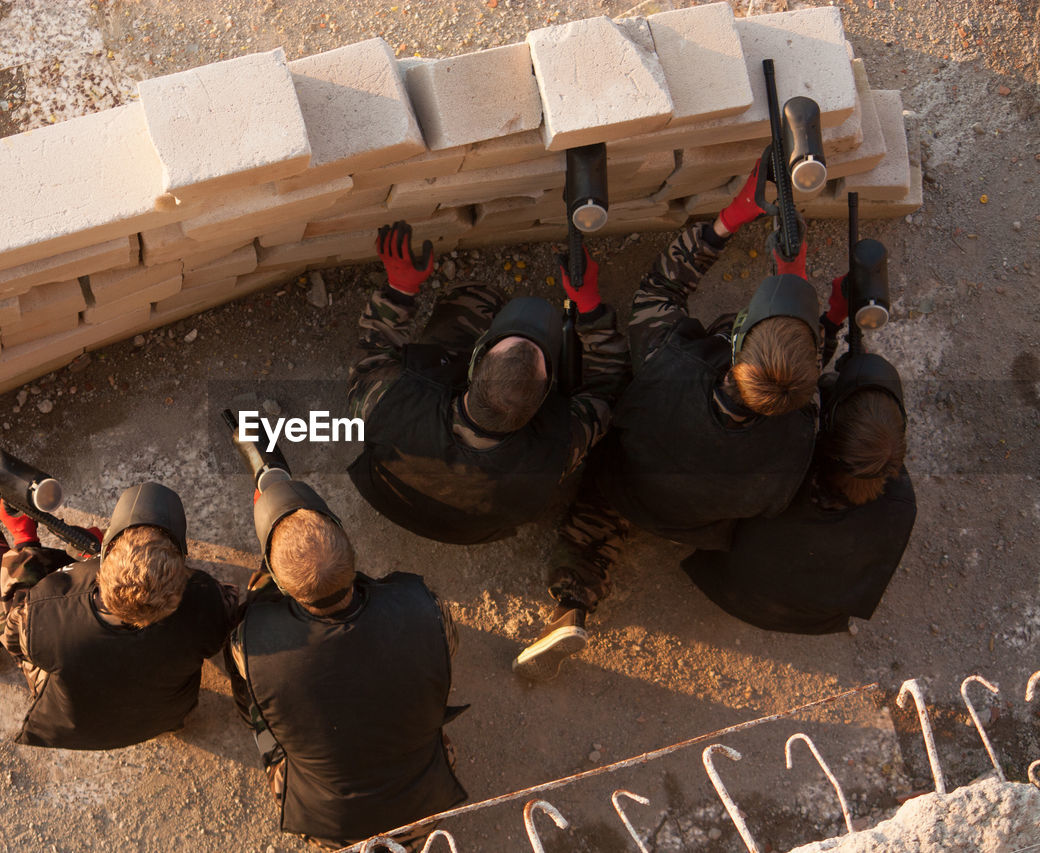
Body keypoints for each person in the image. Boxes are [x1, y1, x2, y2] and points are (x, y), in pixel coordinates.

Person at [513, 167, 824, 680]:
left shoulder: (670, 361)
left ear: (738, 343)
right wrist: (799, 283)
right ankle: (574, 597)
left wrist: (730, 218)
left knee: (593, 523)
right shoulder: (799, 439)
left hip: (630, 482)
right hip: (693, 523)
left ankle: (574, 604)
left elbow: (660, 287)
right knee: (620, 513)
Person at [346, 220, 631, 546]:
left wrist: (399, 289)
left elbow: (370, 357)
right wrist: (590, 307)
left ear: (474, 364)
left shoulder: (389, 406)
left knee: (474, 298)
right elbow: (608, 387)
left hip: (392, 498)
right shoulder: (555, 452)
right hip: (469, 530)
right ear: (543, 401)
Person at [0, 483, 237, 750]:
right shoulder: (209, 602)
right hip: (165, 715)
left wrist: (26, 540)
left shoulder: (45, 613)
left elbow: (16, 633)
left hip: (76, 723)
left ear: (103, 565)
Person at [225, 470, 466, 849]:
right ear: (351, 558)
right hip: (425, 808)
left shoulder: (251, 646)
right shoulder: (427, 610)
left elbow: (250, 702)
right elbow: (446, 654)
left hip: (331, 829)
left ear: (284, 586)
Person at [680, 300, 918, 634]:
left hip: (725, 584)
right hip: (813, 620)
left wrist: (827, 326)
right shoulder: (902, 505)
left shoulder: (784, 458)